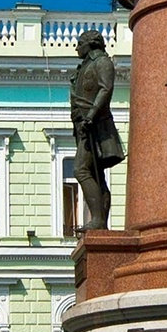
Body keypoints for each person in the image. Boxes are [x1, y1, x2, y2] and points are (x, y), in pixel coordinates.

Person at [69, 29, 125, 230]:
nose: (76, 48)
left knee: (81, 169)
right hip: (84, 123)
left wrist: (91, 116)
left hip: (95, 124)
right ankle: (100, 222)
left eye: (79, 43)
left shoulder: (102, 62)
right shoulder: (86, 65)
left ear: (90, 44)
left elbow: (105, 88)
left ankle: (99, 220)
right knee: (96, 173)